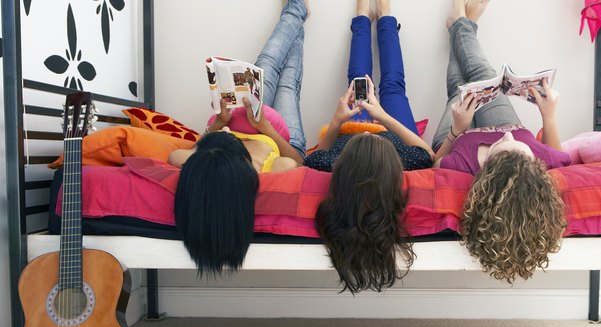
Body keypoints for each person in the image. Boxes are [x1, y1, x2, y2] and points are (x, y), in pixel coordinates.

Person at [432, 0, 569, 284]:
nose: (505, 136)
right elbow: (558, 154)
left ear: (487, 175)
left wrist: (457, 130)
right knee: (483, 76)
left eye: (501, 145)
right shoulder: (536, 160)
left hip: (460, 135)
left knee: (456, 93)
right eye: (519, 147)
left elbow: (435, 164)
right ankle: (462, 24)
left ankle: (461, 21)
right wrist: (549, 115)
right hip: (504, 123)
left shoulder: (461, 162)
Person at [170, 0, 310, 277]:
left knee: (266, 65)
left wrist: (221, 123)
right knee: (288, 83)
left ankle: (295, 10)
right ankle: (296, 12)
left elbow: (178, 155)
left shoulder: (196, 160)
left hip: (243, 115)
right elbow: (298, 160)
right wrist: (266, 128)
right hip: (277, 133)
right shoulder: (273, 170)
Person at [311, 0, 433, 294]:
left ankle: (363, 17)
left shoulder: (331, 161)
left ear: (344, 169)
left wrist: (338, 121)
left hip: (351, 123)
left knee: (356, 81)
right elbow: (427, 155)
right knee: (392, 86)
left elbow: (314, 157)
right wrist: (381, 117)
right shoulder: (403, 157)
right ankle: (385, 17)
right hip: (386, 123)